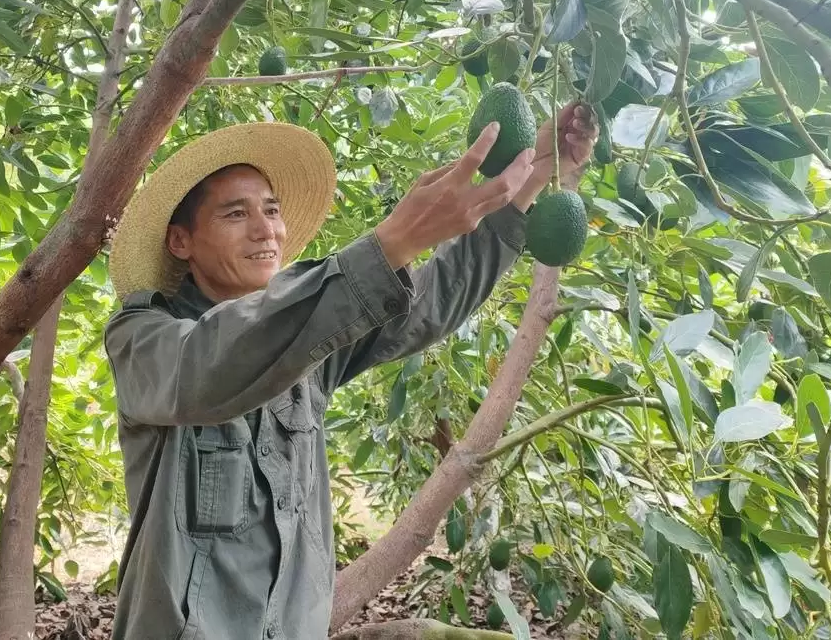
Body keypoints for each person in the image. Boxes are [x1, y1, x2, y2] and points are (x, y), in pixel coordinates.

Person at [103, 104, 598, 640]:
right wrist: (391, 244)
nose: (265, 230)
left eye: (271, 209)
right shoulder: (142, 336)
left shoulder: (311, 339)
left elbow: (430, 303)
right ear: (181, 241)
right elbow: (208, 365)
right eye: (235, 214)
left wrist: (530, 178)